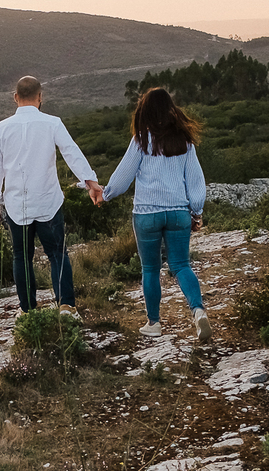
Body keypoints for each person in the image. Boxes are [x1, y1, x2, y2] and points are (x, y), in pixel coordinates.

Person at [0, 76, 103, 319]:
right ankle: (66, 307)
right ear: (40, 97)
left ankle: (28, 311)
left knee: (22, 257)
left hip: (17, 206)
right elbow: (72, 153)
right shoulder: (53, 123)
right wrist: (91, 183)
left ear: (15, 97)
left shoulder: (1, 128)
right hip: (48, 202)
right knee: (58, 254)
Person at [101, 87, 212, 342]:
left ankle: (154, 323)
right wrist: (196, 212)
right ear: (171, 109)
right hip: (178, 213)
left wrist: (105, 194)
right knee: (181, 265)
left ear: (146, 110)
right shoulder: (184, 141)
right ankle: (197, 311)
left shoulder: (141, 140)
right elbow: (195, 181)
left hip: (146, 214)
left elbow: (123, 177)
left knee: (150, 268)